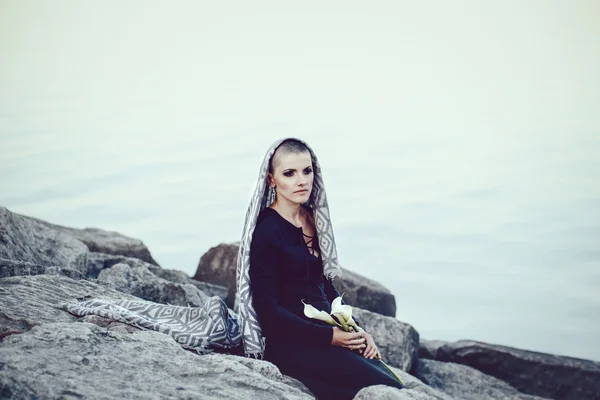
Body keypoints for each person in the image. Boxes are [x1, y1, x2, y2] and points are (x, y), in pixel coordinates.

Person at [235, 137, 405, 399]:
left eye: (307, 171)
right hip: (292, 344)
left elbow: (325, 286)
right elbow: (268, 313)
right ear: (271, 179)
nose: (301, 180)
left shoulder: (314, 218)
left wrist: (357, 330)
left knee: (388, 382)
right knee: (384, 390)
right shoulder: (268, 231)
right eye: (289, 173)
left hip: (327, 330)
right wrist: (330, 338)